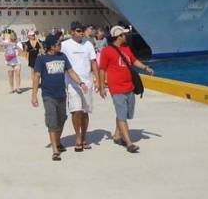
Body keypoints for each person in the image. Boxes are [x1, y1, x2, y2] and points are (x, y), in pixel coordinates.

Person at [31, 36, 89, 161]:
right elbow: (36, 76)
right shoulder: (41, 59)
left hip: (61, 94)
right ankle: (55, 150)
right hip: (48, 95)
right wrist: (34, 95)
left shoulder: (62, 56)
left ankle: (57, 141)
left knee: (62, 119)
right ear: (51, 46)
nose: (60, 45)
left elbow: (71, 72)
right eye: (58, 44)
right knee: (52, 121)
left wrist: (81, 83)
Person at [98, 26, 155, 153]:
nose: (126, 36)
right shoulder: (107, 51)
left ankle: (117, 135)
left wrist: (146, 68)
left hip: (129, 87)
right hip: (116, 88)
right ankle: (129, 143)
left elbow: (134, 61)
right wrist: (101, 87)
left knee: (126, 114)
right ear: (118, 37)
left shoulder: (126, 48)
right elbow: (102, 70)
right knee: (122, 115)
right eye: (124, 34)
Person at [61, 21, 100, 152]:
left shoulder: (88, 44)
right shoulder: (65, 45)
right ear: (72, 31)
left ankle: (84, 137)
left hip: (87, 83)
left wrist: (98, 81)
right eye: (78, 31)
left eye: (82, 31)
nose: (81, 33)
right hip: (72, 84)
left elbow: (93, 63)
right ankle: (77, 137)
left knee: (84, 112)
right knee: (76, 111)